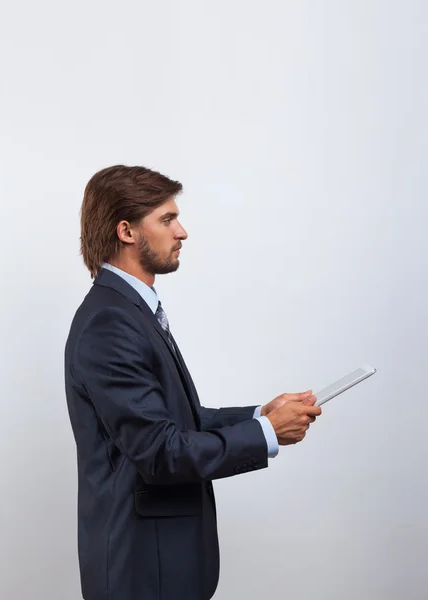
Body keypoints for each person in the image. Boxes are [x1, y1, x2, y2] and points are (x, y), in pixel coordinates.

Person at [64, 165, 322, 600]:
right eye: (166, 219)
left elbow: (177, 420)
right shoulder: (110, 322)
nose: (182, 232)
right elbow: (161, 452)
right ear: (126, 231)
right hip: (143, 572)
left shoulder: (130, 310)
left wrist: (261, 414)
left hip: (162, 567)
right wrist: (265, 435)